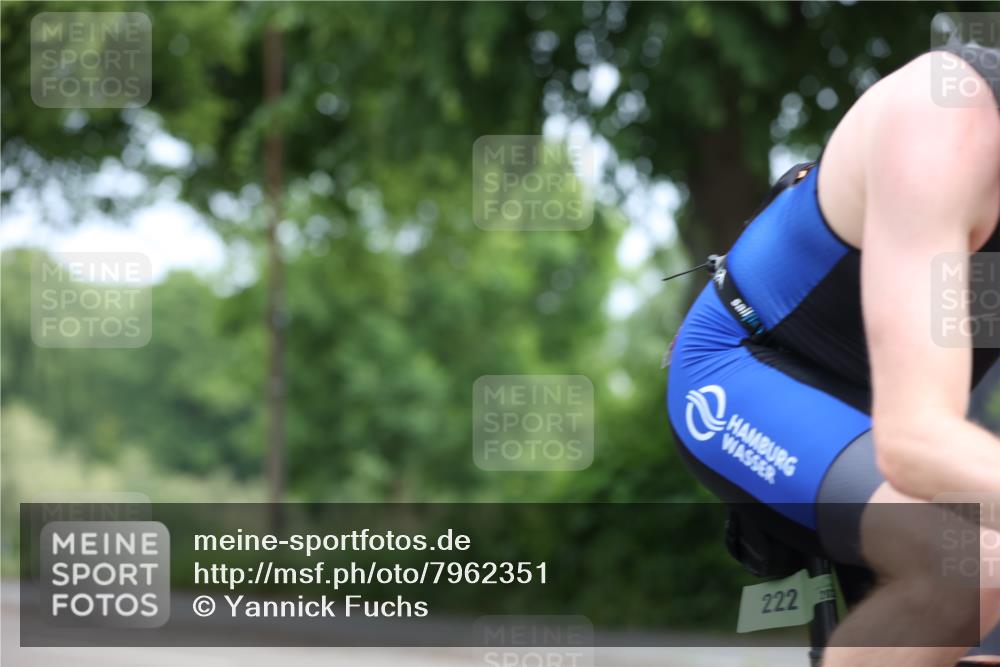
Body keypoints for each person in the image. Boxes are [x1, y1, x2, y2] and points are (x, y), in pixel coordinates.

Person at [666, 42, 1000, 666]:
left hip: (900, 409)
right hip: (748, 369)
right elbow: (917, 441)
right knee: (969, 571)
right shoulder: (944, 121)